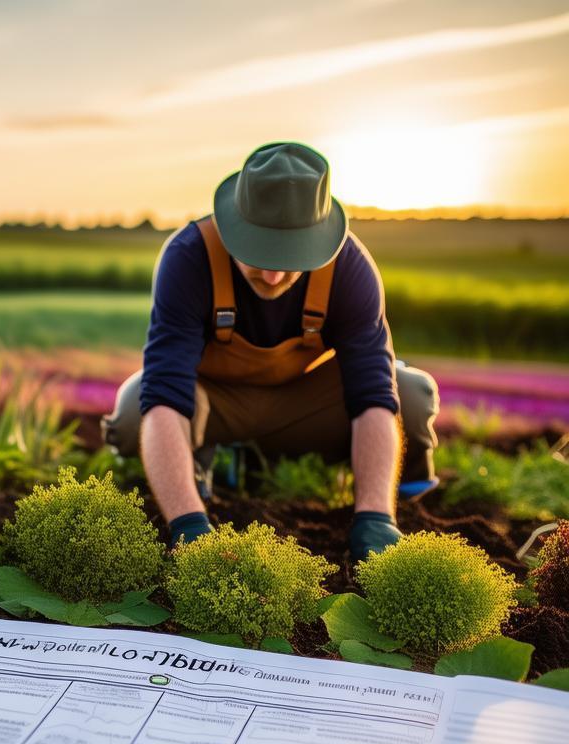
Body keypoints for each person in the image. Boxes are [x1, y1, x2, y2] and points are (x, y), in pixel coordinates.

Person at [100, 141, 440, 562]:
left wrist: (375, 517)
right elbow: (167, 394)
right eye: (257, 252)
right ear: (233, 228)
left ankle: (403, 498)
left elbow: (372, 393)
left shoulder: (350, 268)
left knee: (409, 392)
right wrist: (188, 524)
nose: (274, 274)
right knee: (136, 409)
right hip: (213, 403)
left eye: (292, 258)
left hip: (302, 407)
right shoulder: (188, 257)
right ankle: (197, 473)